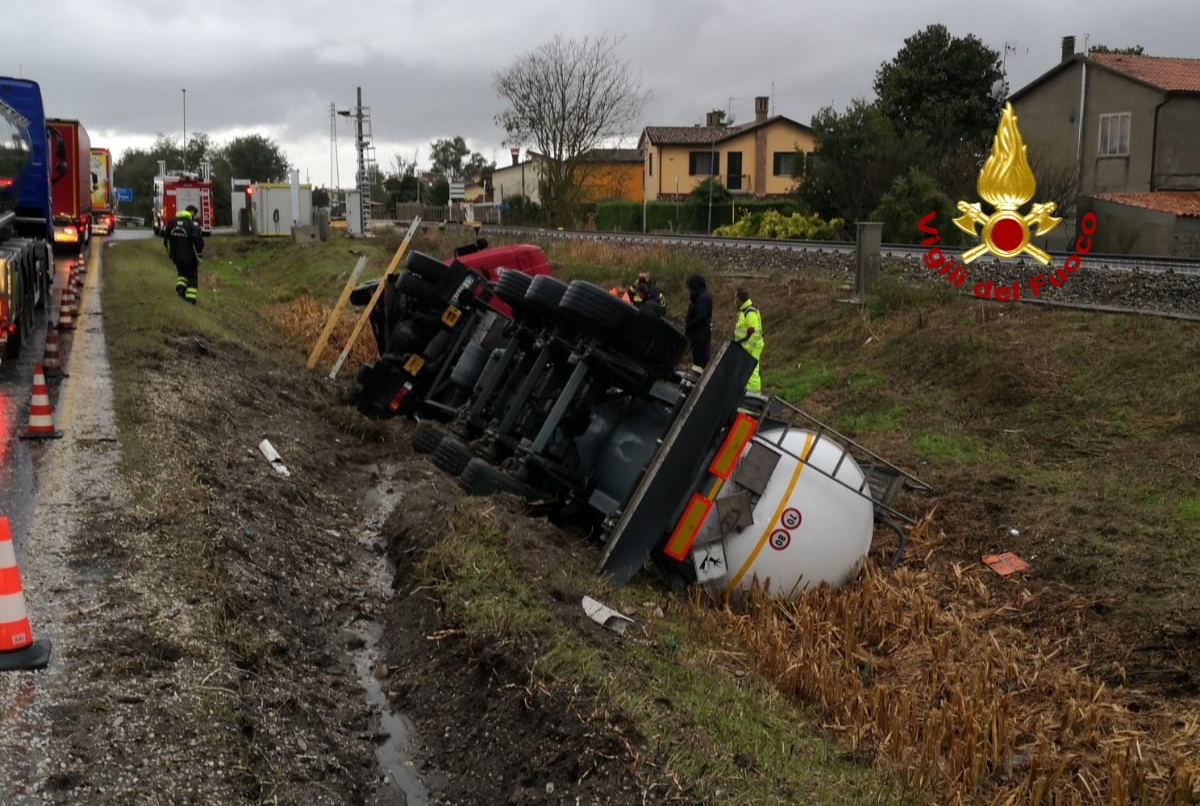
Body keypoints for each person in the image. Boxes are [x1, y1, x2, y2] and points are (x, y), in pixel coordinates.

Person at [164, 204, 204, 304]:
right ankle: (191, 299)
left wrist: (170, 253)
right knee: (192, 276)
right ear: (192, 213)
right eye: (194, 214)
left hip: (177, 257)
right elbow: (197, 242)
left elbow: (166, 241)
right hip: (190, 258)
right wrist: (199, 256)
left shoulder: (171, 223)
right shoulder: (192, 225)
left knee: (182, 273)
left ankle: (181, 289)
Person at [733, 287, 764, 392]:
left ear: (738, 299)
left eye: (734, 298)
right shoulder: (743, 311)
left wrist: (746, 347)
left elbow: (754, 333)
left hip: (752, 347)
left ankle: (754, 396)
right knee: (747, 372)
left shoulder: (749, 312)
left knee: (752, 373)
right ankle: (747, 392)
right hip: (747, 347)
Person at [684, 273, 713, 368]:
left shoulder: (703, 298)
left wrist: (689, 325)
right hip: (698, 337)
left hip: (701, 337)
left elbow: (702, 317)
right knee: (698, 361)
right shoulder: (701, 297)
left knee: (700, 363)